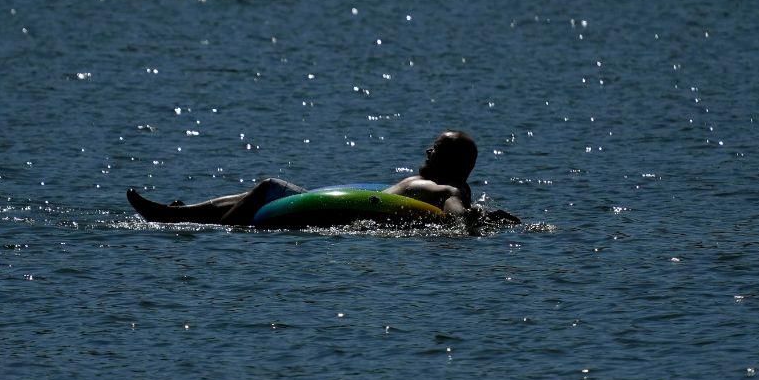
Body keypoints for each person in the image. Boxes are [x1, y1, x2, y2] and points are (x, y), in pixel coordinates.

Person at [127, 130, 519, 227]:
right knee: (260, 193)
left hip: (343, 211)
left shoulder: (446, 187)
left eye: (435, 149)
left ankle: (220, 231)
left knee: (267, 187)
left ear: (449, 160)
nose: (427, 152)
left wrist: (462, 219)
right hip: (347, 204)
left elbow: (453, 204)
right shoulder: (454, 186)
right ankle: (178, 214)